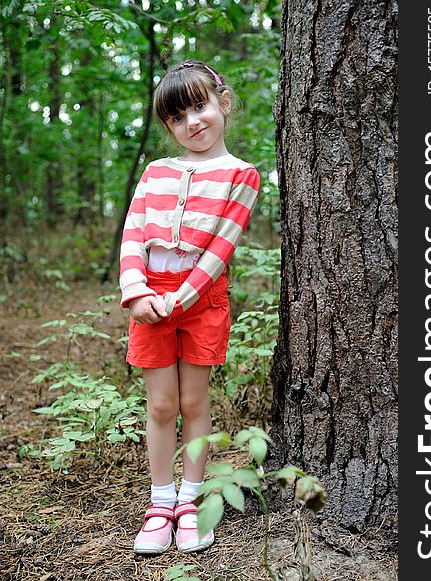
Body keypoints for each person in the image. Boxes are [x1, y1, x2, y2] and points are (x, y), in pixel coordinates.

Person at [119, 60, 261, 554]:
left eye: (200, 107)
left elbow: (222, 245)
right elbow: (134, 231)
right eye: (178, 118)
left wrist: (180, 297)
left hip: (201, 298)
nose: (192, 123)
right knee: (160, 404)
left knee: (194, 402)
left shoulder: (240, 175)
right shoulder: (158, 171)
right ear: (168, 126)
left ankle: (191, 500)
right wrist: (136, 291)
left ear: (222, 102)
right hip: (148, 297)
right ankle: (160, 503)